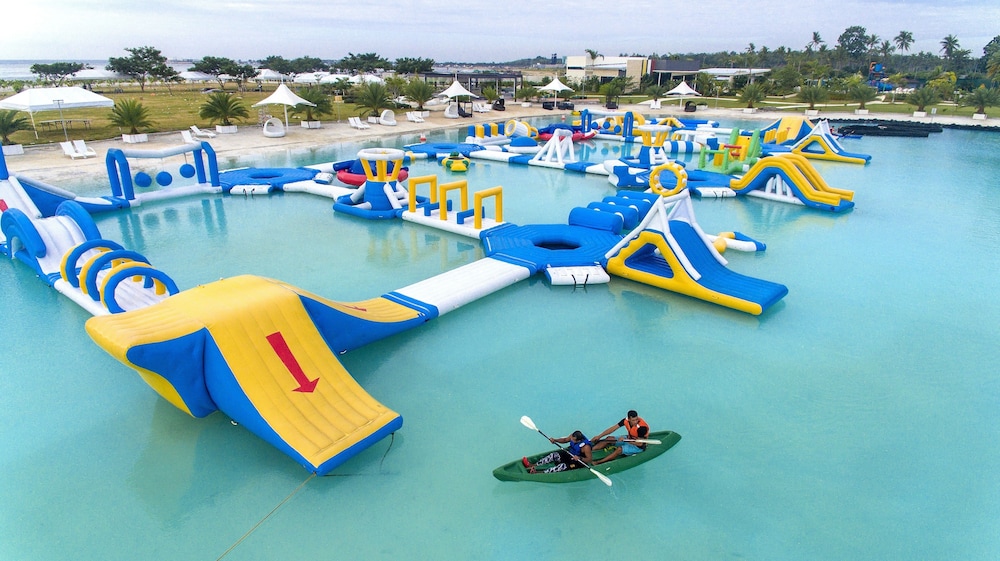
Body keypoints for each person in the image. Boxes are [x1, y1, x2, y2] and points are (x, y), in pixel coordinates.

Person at [522, 430, 594, 473]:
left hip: (578, 461)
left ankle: (538, 473)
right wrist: (555, 440)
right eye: (571, 438)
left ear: (578, 440)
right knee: (554, 455)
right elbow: (565, 440)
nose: (571, 439)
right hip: (570, 454)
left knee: (562, 466)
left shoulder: (586, 447)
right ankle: (533, 465)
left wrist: (579, 458)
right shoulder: (573, 436)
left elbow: (589, 459)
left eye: (573, 439)